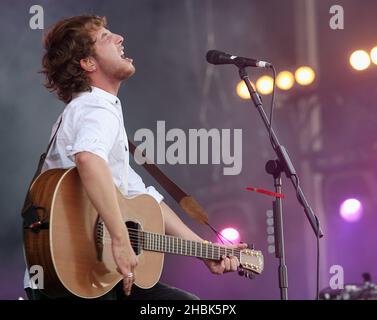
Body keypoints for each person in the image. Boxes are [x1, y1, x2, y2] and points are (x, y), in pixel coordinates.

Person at [24, 15, 247, 300]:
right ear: (88, 63)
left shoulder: (96, 109)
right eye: (106, 37)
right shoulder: (96, 106)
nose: (120, 37)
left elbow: (144, 200)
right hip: (77, 276)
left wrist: (206, 250)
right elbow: (88, 160)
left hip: (87, 274)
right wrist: (119, 238)